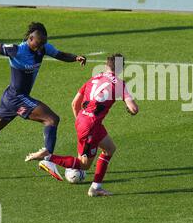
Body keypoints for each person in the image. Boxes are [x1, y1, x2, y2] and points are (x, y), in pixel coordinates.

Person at [0, 22, 87, 180]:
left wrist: (75, 57)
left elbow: (60, 54)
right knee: (52, 119)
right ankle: (48, 159)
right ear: (30, 38)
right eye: (38, 43)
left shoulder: (43, 48)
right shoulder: (17, 50)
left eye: (43, 43)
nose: (41, 46)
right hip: (17, 98)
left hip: (10, 97)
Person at [25, 53, 139, 197]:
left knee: (110, 149)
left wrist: (81, 121)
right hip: (90, 126)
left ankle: (96, 188)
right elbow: (134, 109)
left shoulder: (93, 79)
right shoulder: (119, 83)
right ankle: (47, 157)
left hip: (85, 121)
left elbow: (74, 103)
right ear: (120, 68)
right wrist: (131, 108)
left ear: (106, 65)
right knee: (84, 165)